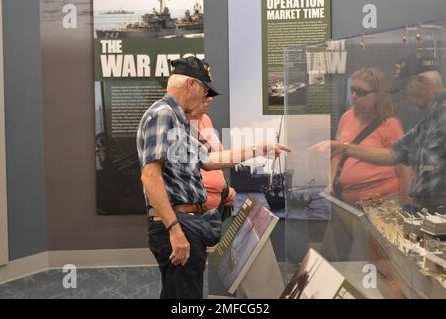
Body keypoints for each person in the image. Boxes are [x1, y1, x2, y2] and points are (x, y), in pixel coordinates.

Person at [136, 56, 290, 299]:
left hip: (186, 223)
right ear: (191, 85)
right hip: (179, 223)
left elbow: (209, 160)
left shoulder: (177, 120)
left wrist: (258, 149)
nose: (206, 98)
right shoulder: (163, 114)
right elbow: (150, 176)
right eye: (205, 90)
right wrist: (175, 230)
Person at [314, 53, 446, 214]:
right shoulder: (428, 120)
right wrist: (343, 148)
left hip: (435, 212)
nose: (403, 96)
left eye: (405, 87)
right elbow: (393, 154)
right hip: (429, 213)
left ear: (421, 80)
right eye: (353, 90)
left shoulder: (438, 116)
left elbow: (403, 169)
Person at [330, 68, 412, 206]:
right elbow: (337, 153)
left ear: (377, 96)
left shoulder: (389, 124)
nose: (355, 95)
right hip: (348, 202)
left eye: (362, 92)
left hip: (382, 202)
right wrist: (330, 183)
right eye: (353, 90)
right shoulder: (346, 117)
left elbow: (405, 168)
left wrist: (407, 204)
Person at [186, 98, 236, 219]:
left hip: (215, 209)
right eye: (204, 93)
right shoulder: (177, 124)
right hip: (194, 212)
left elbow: (215, 158)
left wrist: (225, 188)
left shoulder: (205, 119)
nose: (209, 99)